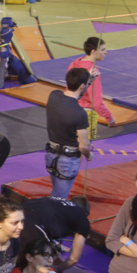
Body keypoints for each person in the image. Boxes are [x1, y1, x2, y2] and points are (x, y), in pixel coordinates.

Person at [46, 68, 92, 199]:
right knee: (59, 199)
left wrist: (88, 79)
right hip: (67, 160)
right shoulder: (79, 113)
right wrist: (89, 155)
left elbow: (71, 94)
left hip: (51, 155)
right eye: (87, 84)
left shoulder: (53, 96)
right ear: (82, 86)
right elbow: (84, 146)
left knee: (56, 193)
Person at [19, 196, 92, 273]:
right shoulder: (82, 217)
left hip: (17, 217)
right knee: (41, 268)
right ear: (86, 214)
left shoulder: (55, 200)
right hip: (34, 226)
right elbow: (74, 259)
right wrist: (56, 270)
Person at [69, 38, 114, 134]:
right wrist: (109, 118)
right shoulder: (93, 73)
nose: (105, 52)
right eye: (103, 49)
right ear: (93, 52)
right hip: (86, 114)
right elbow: (96, 101)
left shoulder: (75, 63)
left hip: (70, 108)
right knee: (85, 142)